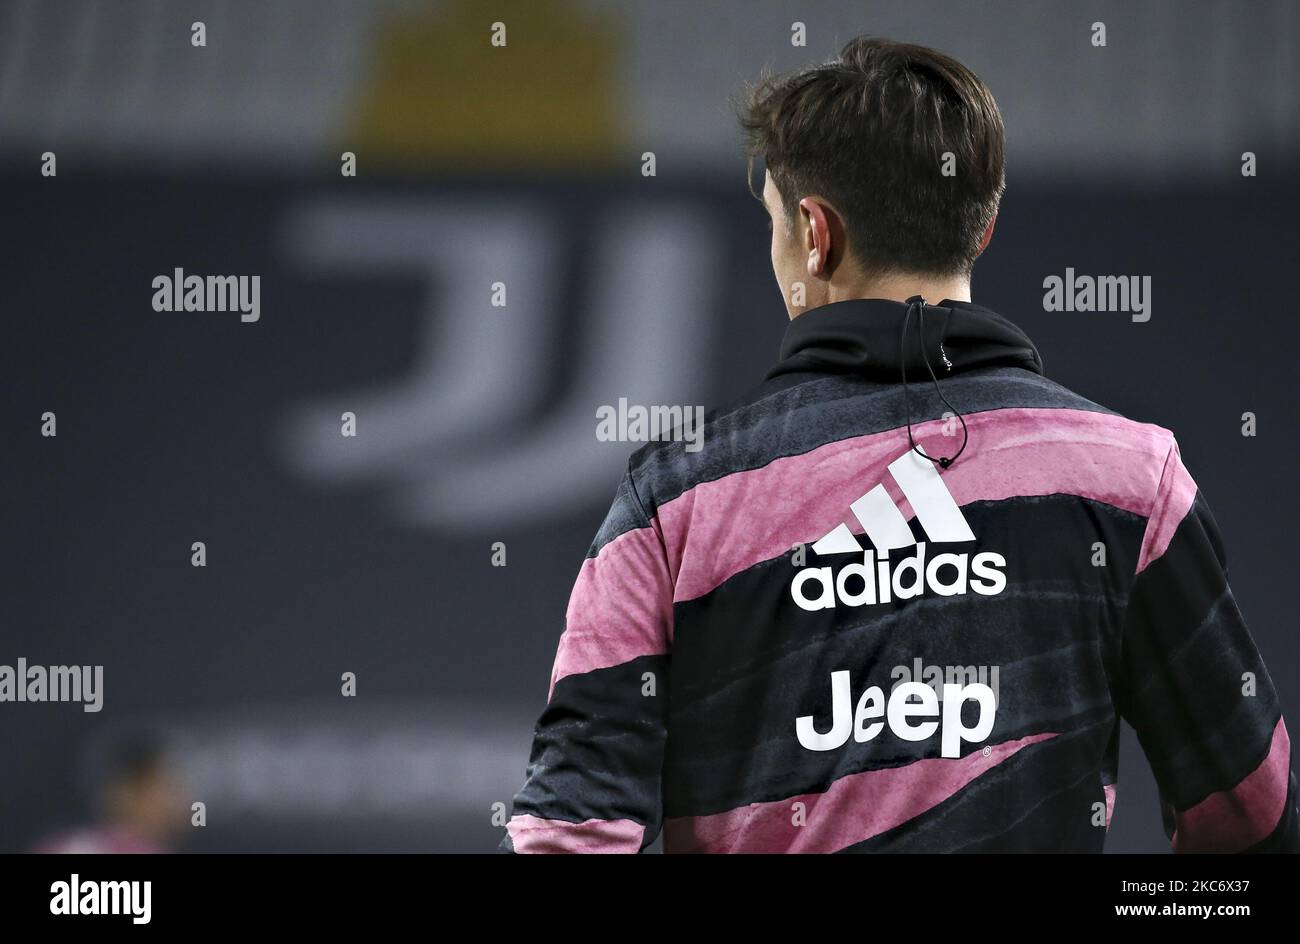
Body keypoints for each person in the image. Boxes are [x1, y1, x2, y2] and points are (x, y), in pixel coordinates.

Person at [499, 36, 1298, 853]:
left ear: (814, 234)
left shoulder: (673, 500)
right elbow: (1252, 818)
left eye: (775, 225)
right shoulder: (1129, 479)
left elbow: (570, 837)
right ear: (982, 228)